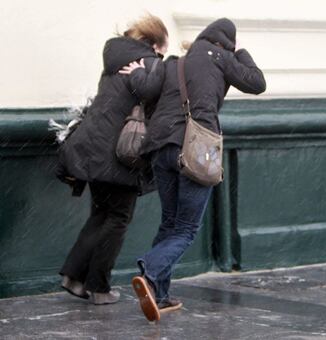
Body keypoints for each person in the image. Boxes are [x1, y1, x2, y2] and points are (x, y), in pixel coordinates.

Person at [125, 17, 266, 321]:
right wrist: (241, 51)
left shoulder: (175, 62)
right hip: (195, 145)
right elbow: (257, 82)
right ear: (226, 42)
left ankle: (159, 296)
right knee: (186, 229)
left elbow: (149, 97)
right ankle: (149, 271)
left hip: (160, 147)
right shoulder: (221, 57)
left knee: (170, 222)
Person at [57, 14, 168, 305]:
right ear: (154, 45)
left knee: (101, 214)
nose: (162, 57)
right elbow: (152, 93)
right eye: (162, 52)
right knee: (118, 218)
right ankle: (99, 287)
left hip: (93, 150)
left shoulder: (113, 60)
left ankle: (74, 277)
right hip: (121, 154)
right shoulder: (149, 63)